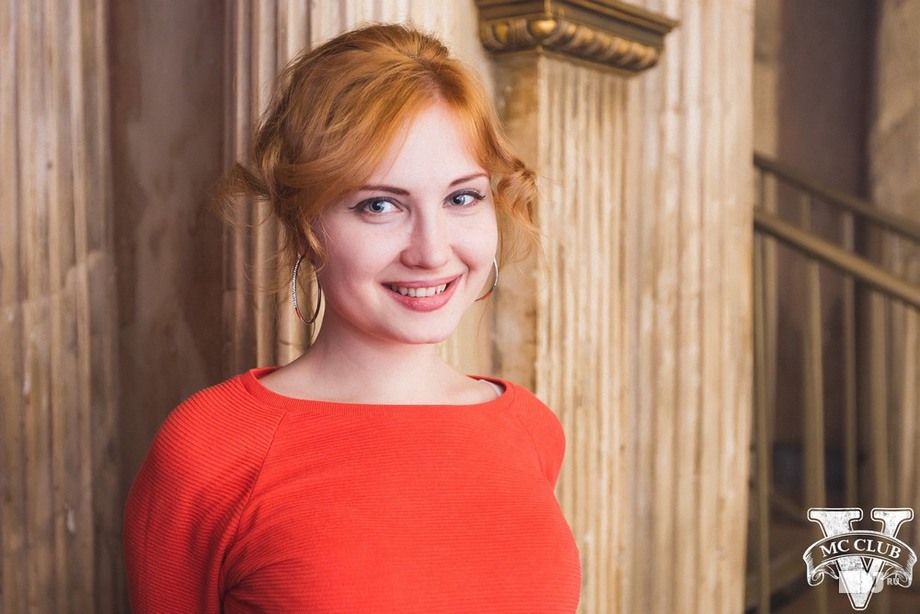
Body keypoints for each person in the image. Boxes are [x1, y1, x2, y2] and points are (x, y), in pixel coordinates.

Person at [123, 22, 581, 613]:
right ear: (304, 226)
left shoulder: (531, 430)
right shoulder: (210, 447)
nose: (432, 251)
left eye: (462, 197)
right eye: (379, 205)